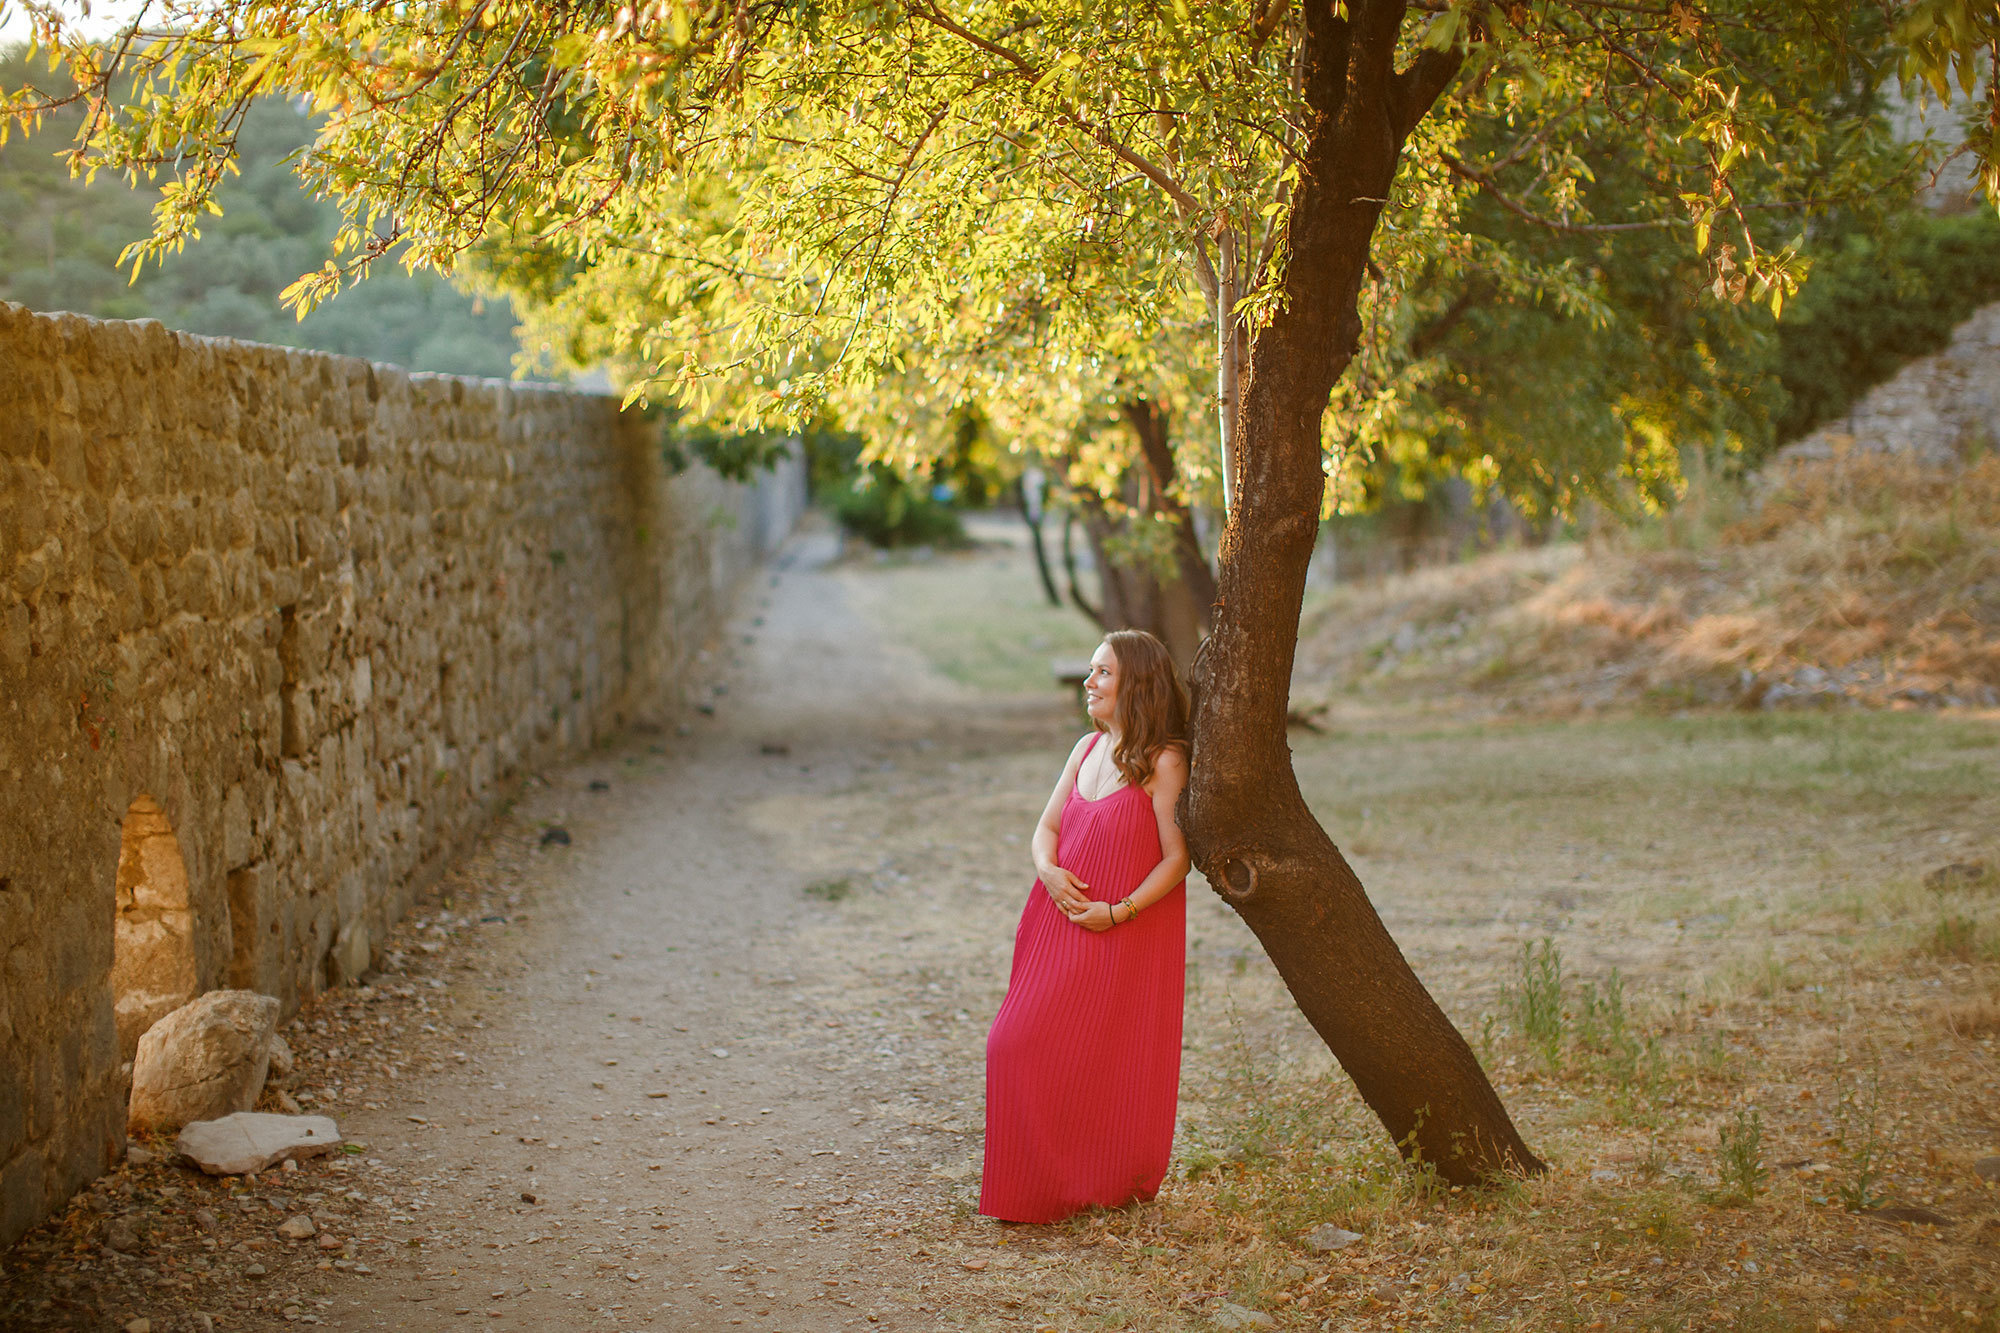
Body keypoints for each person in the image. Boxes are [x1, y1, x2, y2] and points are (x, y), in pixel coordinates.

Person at [980, 628, 1192, 1223]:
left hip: (1121, 930)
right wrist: (1047, 870)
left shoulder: (1164, 761)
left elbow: (1178, 859)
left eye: (1102, 672)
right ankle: (1035, 1186)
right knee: (1014, 1045)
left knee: (1102, 1055)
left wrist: (1118, 911)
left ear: (1137, 686)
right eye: (1091, 671)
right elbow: (1045, 829)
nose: (1088, 682)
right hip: (1053, 922)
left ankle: (1092, 1181)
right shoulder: (1085, 748)